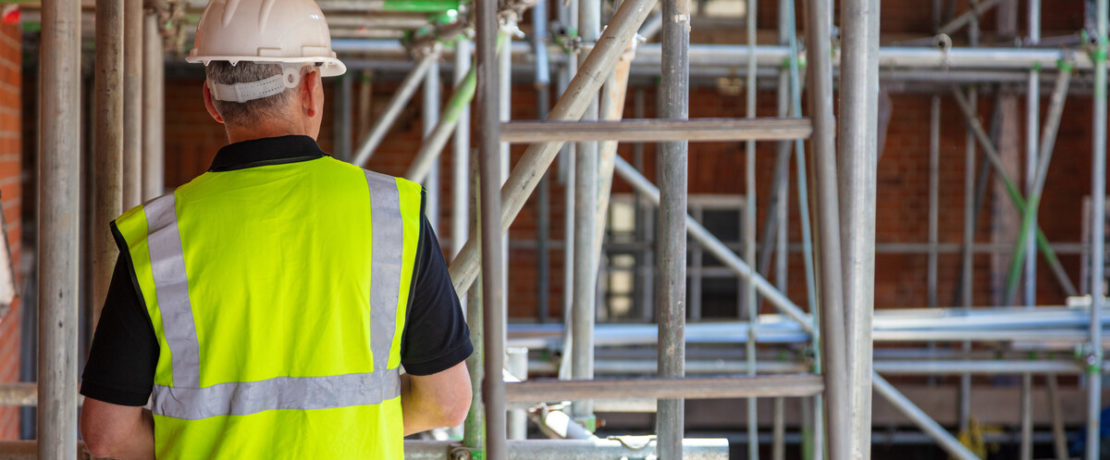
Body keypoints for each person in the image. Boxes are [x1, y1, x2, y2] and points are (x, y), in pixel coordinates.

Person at [78, 0, 472, 458]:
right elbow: (447, 403)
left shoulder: (159, 236)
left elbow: (108, 433)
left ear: (212, 101)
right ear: (310, 88)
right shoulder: (391, 214)